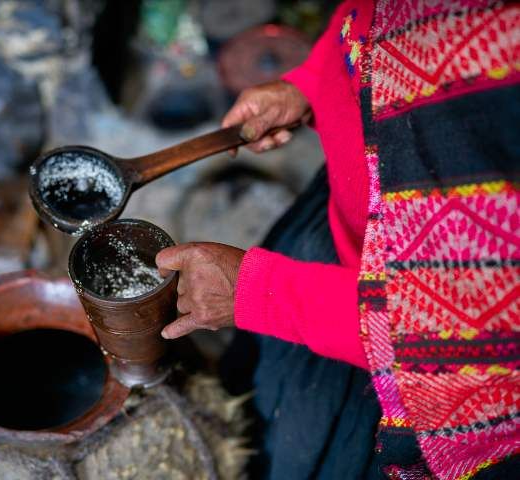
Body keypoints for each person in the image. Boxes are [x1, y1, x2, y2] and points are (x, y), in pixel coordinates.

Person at [156, 1, 519, 479]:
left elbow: (479, 336)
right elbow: (373, 21)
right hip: (347, 232)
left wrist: (264, 293)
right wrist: (312, 83)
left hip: (391, 365)